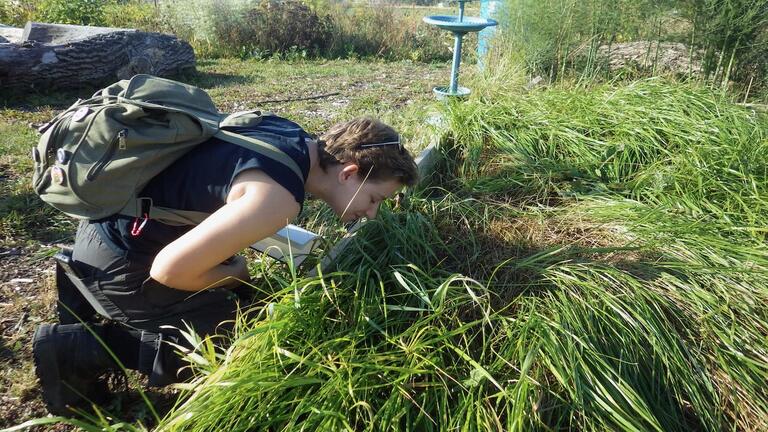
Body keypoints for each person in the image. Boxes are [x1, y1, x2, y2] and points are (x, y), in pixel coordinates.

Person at [31, 115, 419, 415]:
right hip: (121, 256)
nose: (371, 214)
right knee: (230, 345)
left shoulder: (292, 137)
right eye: (374, 198)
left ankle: (82, 289)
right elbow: (168, 270)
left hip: (112, 222)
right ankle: (73, 351)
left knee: (245, 301)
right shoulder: (280, 200)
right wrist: (235, 272)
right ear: (349, 172)